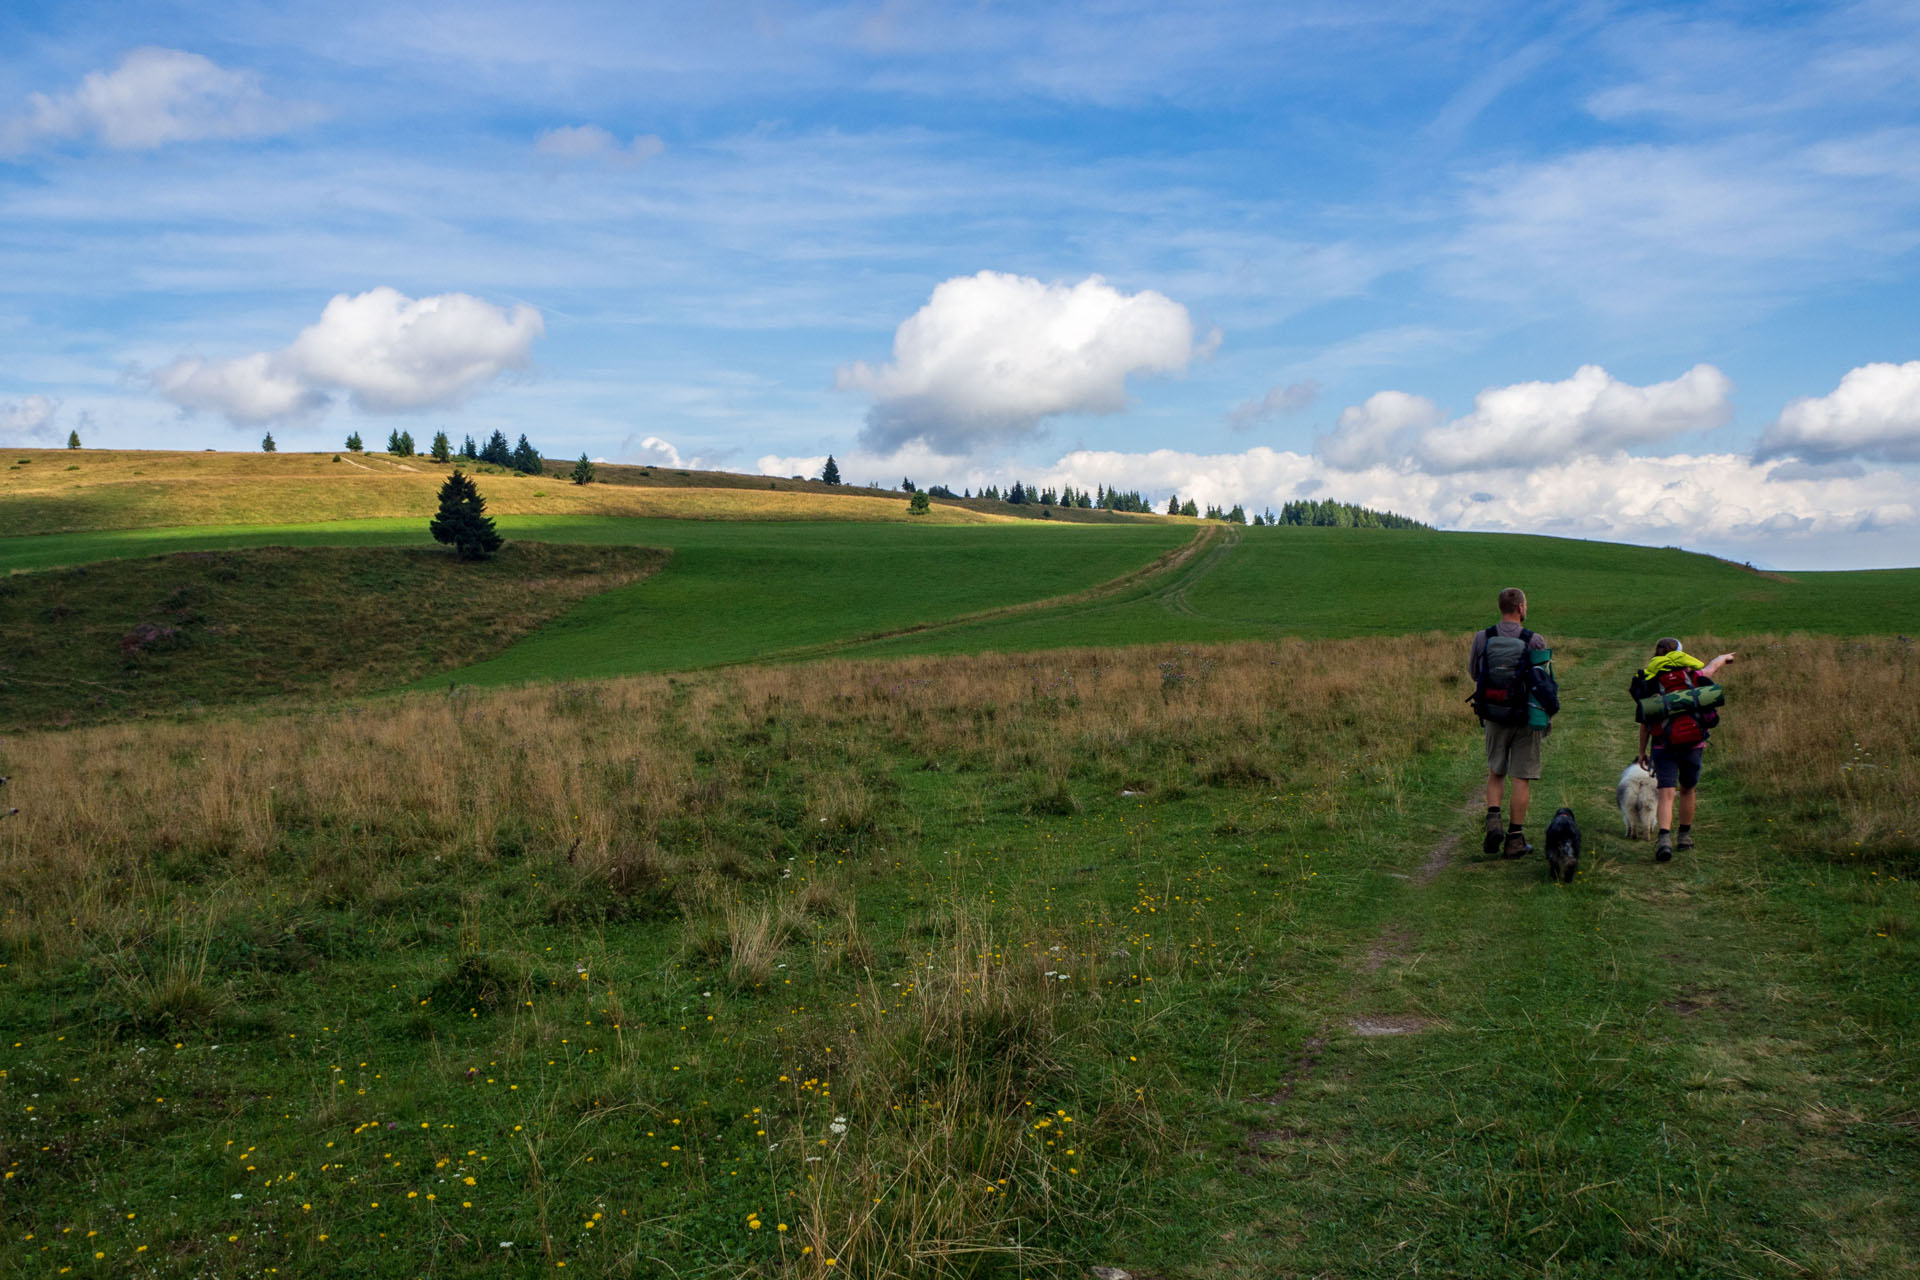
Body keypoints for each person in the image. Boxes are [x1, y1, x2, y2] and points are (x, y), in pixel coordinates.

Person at [1469, 587, 1552, 858]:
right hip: (1525, 718)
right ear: (1520, 608)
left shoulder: (1483, 637)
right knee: (1521, 778)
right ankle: (1515, 840)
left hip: (1493, 715)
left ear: (1501, 607)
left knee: (1496, 771)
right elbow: (1544, 683)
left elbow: (1474, 673)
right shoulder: (1534, 640)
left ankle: (1494, 820)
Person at [1635, 638, 1735, 863]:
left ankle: (1663, 839)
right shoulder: (1693, 675)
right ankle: (1684, 837)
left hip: (1663, 744)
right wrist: (1724, 658)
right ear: (1681, 653)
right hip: (1693, 743)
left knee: (1666, 792)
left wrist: (1642, 751)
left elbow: (1644, 721)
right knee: (1688, 789)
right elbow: (1711, 668)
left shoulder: (1652, 679)